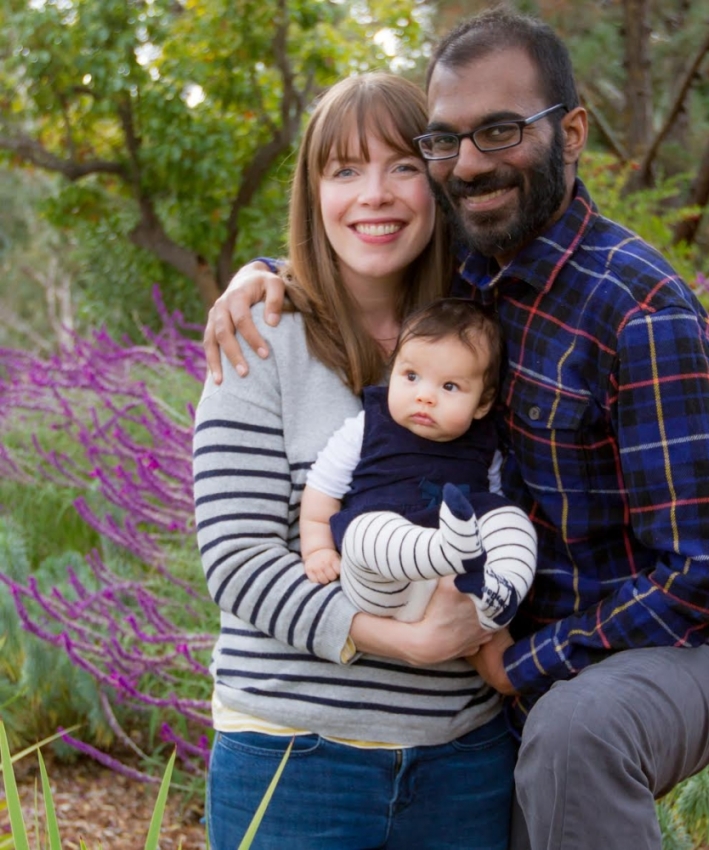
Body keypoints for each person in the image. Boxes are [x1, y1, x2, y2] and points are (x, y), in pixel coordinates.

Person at [203, 8, 709, 850]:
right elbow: (235, 555)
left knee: (575, 736)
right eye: (446, 142)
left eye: (499, 132)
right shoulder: (405, 304)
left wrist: (518, 666)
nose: (468, 165)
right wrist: (267, 273)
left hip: (603, 672)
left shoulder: (609, 310)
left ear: (572, 131)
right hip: (356, 728)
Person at [193, 71, 519, 850]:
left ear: (439, 178)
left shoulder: (489, 335)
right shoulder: (260, 338)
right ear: (315, 194)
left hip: (465, 762)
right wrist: (405, 640)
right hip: (292, 757)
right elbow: (235, 560)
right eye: (344, 170)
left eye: (403, 164)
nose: (375, 194)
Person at [300, 297, 537, 628]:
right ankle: (444, 551)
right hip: (384, 584)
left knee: (511, 519)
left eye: (450, 386)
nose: (425, 396)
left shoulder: (485, 443)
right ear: (393, 371)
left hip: (455, 591)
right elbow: (322, 489)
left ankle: (500, 592)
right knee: (365, 532)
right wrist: (316, 549)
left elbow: (492, 506)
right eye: (411, 376)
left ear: (482, 403)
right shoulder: (368, 426)